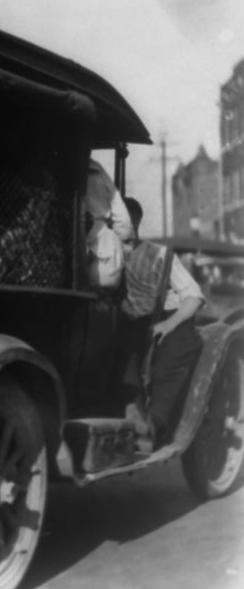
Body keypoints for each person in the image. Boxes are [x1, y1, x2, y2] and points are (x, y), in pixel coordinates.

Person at [120, 197, 204, 450]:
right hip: (129, 323)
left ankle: (155, 428)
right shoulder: (99, 250)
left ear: (134, 223)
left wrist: (169, 325)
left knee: (171, 357)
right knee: (124, 365)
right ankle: (131, 419)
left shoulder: (159, 255)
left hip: (167, 319)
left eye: (124, 222)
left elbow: (194, 297)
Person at [84, 159, 134, 289]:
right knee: (103, 295)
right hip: (103, 245)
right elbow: (123, 221)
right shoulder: (97, 169)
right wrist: (123, 242)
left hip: (71, 244)